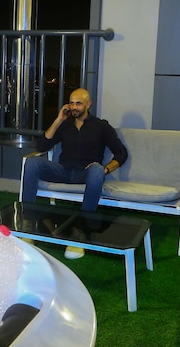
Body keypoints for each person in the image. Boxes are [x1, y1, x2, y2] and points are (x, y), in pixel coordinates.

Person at [21, 88, 128, 259]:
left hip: (85, 173)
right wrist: (58, 120)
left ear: (88, 104)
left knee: (97, 170)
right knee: (32, 162)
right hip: (63, 170)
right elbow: (41, 146)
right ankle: (28, 225)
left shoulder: (101, 126)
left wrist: (106, 169)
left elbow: (121, 153)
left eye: (78, 103)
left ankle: (80, 231)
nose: (74, 107)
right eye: (71, 103)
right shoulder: (65, 125)